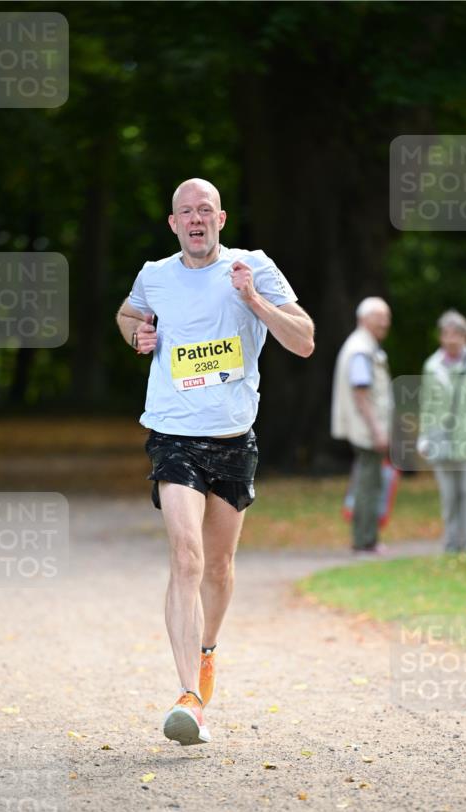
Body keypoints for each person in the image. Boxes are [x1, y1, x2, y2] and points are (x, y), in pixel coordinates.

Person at [115, 178, 315, 746]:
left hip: (233, 438)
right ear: (173, 223)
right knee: (187, 556)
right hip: (173, 434)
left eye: (206, 210)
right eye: (186, 212)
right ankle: (187, 698)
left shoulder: (253, 267)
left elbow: (303, 340)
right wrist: (139, 337)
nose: (196, 219)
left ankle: (206, 654)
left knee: (220, 568)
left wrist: (253, 301)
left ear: (221, 219)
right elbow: (128, 316)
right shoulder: (155, 275)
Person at [417, 309, 466, 552]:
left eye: (455, 334)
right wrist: (423, 436)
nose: (450, 339)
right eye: (446, 334)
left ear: (465, 337)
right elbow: (427, 403)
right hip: (441, 438)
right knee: (449, 495)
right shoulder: (432, 366)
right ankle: (451, 542)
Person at [331, 297, 393, 554]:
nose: (385, 324)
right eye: (380, 318)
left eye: (387, 319)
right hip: (366, 430)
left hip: (365, 428)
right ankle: (365, 541)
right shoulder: (361, 350)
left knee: (370, 482)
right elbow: (361, 393)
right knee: (369, 485)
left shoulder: (363, 346)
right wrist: (377, 429)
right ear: (365, 319)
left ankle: (366, 539)